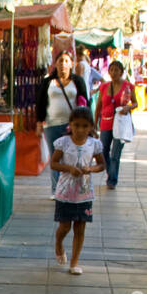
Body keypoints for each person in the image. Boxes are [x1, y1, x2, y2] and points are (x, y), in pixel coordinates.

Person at [50, 107, 105, 276]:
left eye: (84, 126)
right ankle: (59, 242)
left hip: (84, 193)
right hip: (65, 192)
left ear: (90, 127)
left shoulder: (94, 144)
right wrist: (68, 168)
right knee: (65, 226)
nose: (80, 130)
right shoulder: (63, 143)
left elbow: (102, 164)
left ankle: (74, 262)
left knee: (80, 228)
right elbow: (53, 163)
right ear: (70, 125)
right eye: (76, 125)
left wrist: (91, 169)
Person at [35, 51, 88, 200]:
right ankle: (56, 190)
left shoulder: (77, 81)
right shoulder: (48, 82)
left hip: (72, 127)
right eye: (60, 61)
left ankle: (72, 188)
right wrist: (39, 123)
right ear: (55, 63)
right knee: (55, 158)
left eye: (66, 61)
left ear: (71, 64)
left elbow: (85, 102)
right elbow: (40, 103)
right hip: (51, 125)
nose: (63, 64)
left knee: (72, 157)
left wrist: (84, 125)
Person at [96, 60, 136, 191]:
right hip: (105, 122)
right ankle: (111, 172)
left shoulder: (128, 86)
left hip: (120, 123)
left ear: (122, 72)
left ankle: (112, 180)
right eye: (112, 70)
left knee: (115, 153)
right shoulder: (104, 86)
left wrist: (128, 107)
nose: (114, 73)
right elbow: (99, 105)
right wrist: (94, 122)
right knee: (103, 150)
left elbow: (135, 103)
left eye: (117, 70)